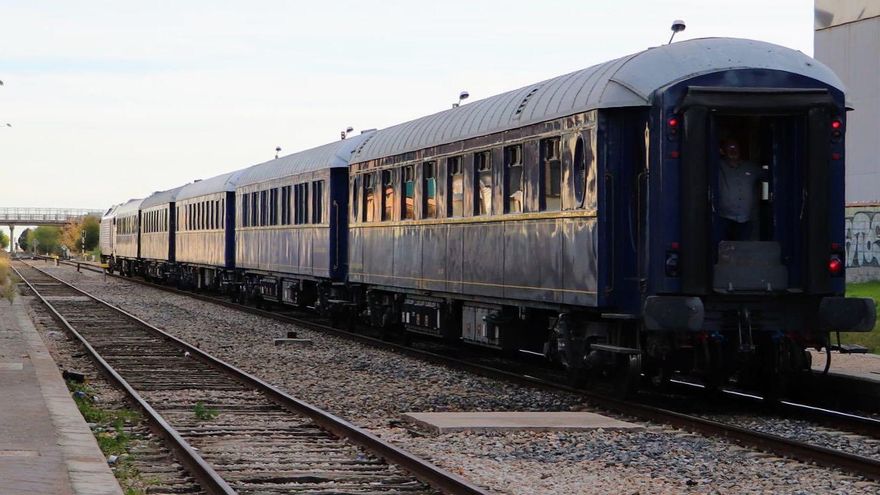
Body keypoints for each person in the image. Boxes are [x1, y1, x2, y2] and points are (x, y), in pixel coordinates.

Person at [718, 138, 762, 240]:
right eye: (730, 148)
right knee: (724, 246)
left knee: (743, 246)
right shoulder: (718, 166)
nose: (733, 151)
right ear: (723, 151)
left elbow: (770, 176)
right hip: (724, 218)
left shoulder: (750, 167)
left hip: (745, 219)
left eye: (735, 148)